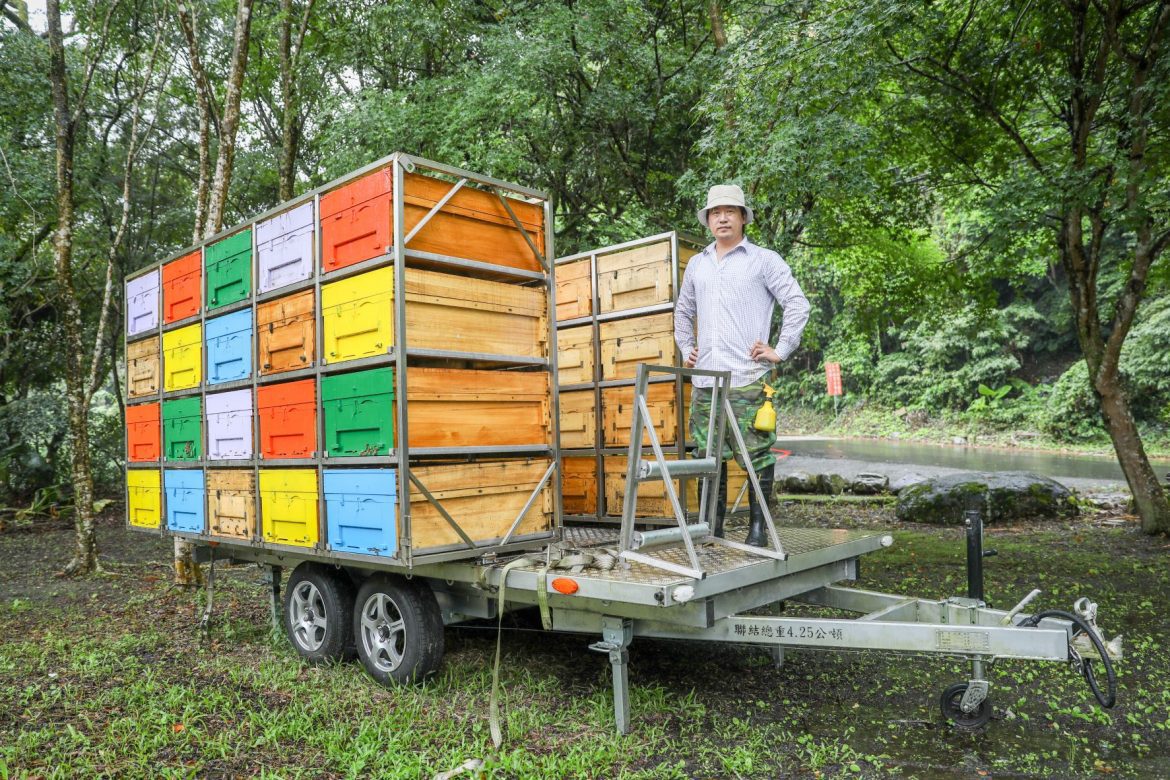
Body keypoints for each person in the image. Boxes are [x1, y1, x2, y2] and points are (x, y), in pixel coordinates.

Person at [675, 184, 810, 546]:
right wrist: (687, 346)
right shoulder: (698, 265)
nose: (722, 217)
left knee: (757, 455)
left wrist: (780, 349)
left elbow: (797, 304)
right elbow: (683, 311)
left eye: (730, 211)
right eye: (715, 212)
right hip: (706, 383)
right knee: (708, 457)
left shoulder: (763, 260)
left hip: (749, 379)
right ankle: (712, 530)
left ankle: (758, 530)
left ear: (742, 217)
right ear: (707, 219)